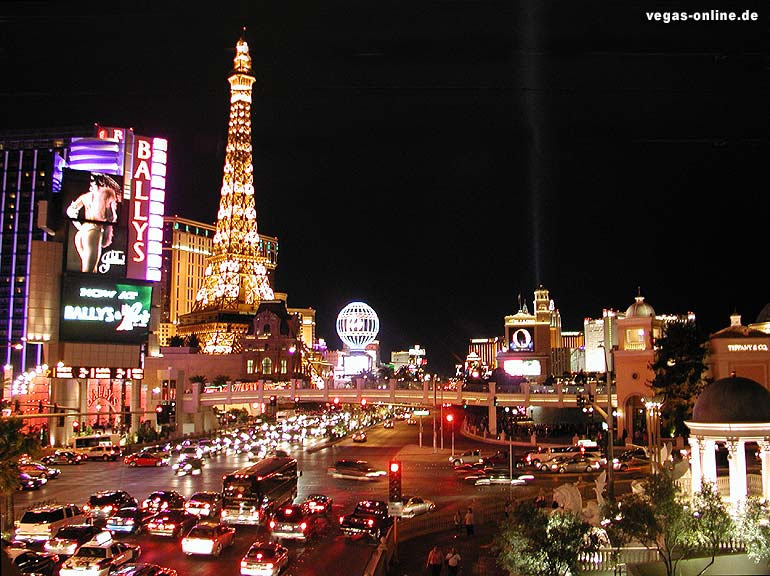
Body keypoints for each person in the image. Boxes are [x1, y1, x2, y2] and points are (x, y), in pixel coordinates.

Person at [66, 172, 121, 273]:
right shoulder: (108, 193)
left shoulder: (85, 196)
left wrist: (79, 226)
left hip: (81, 233)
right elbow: (111, 217)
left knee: (91, 269)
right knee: (89, 270)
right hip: (94, 231)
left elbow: (70, 211)